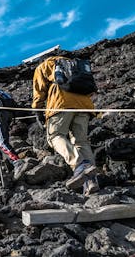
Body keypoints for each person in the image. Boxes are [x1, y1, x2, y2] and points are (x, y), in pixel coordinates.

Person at [32, 55, 99, 195]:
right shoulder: (75, 64)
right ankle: (91, 181)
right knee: (81, 142)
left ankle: (80, 165)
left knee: (55, 136)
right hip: (84, 105)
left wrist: (37, 110)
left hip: (61, 103)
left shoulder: (45, 65)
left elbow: (39, 92)